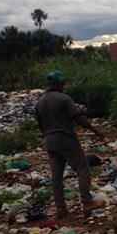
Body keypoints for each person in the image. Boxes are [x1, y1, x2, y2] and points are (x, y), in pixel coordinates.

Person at [34, 70, 105, 218]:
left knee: (57, 176)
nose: (64, 86)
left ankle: (61, 209)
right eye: (63, 83)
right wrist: (96, 131)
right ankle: (87, 202)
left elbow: (40, 125)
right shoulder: (64, 98)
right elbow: (79, 119)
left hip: (49, 141)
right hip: (65, 138)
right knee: (82, 168)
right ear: (59, 84)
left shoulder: (40, 102)